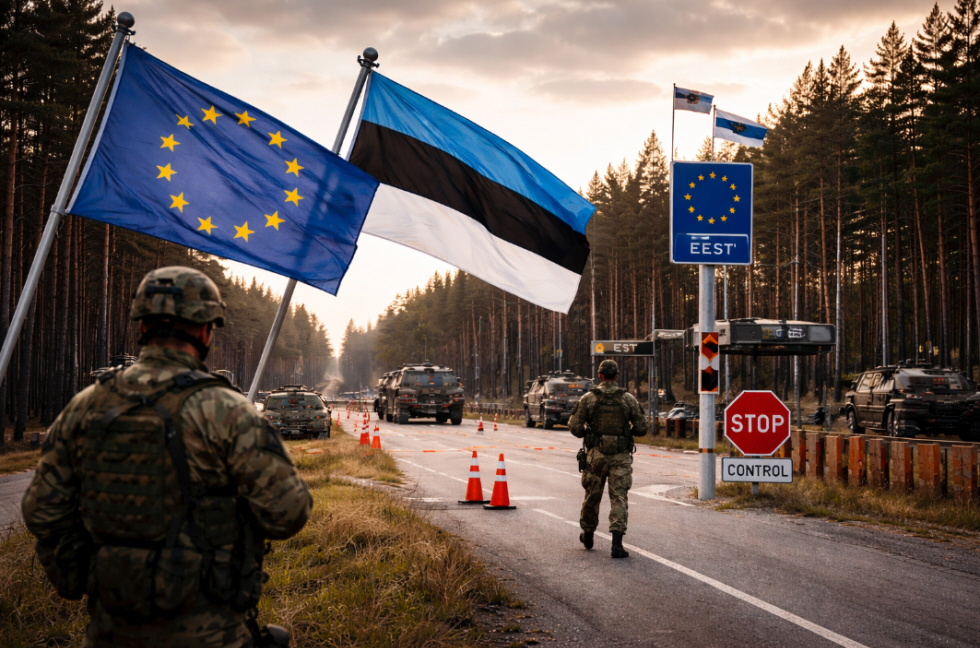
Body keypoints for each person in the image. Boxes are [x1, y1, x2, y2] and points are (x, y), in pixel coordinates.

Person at [22, 266, 312, 648]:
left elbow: (41, 510)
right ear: (206, 330)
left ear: (142, 326)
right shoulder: (226, 409)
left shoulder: (84, 406)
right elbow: (288, 512)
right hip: (211, 631)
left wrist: (81, 573)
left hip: (111, 630)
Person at [569, 359, 648, 558]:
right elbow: (642, 427)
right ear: (617, 375)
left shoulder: (589, 398)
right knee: (619, 497)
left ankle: (588, 534)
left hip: (596, 455)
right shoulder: (628, 399)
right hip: (620, 456)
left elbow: (575, 427)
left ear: (600, 375)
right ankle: (617, 545)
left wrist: (589, 434)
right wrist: (625, 434)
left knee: (592, 495)